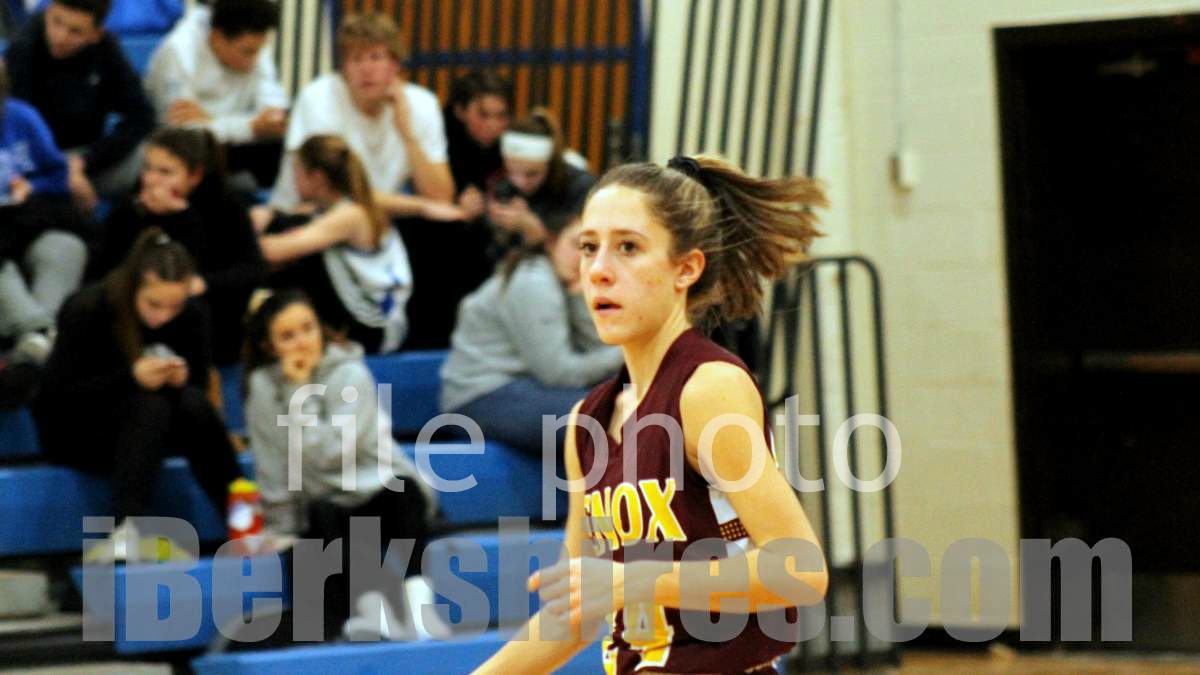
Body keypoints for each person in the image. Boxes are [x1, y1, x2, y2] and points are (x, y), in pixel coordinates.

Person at [474, 156, 831, 674]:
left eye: (628, 247)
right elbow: (573, 614)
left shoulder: (708, 389)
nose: (599, 269)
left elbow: (800, 568)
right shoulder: (586, 422)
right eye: (588, 247)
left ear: (686, 268)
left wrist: (634, 580)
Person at [32, 229, 242, 561]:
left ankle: (243, 519)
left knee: (192, 403)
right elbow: (58, 398)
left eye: (174, 306)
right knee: (149, 404)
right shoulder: (88, 308)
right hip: (78, 431)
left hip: (148, 431)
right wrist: (130, 378)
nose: (164, 315)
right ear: (134, 288)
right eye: (154, 304)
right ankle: (124, 528)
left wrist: (183, 380)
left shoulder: (194, 314)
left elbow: (200, 386)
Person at [242, 289, 439, 640]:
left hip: (375, 493)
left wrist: (298, 393)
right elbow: (271, 462)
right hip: (326, 507)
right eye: (288, 336)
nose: (302, 342)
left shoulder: (350, 373)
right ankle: (371, 611)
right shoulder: (262, 387)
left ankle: (419, 607)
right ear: (269, 348)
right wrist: (282, 528)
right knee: (321, 514)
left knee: (402, 491)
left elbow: (333, 453)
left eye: (308, 328)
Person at [440, 213, 621, 457]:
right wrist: (626, 353)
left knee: (630, 403)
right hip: (480, 396)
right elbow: (559, 373)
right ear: (551, 242)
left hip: (528, 388)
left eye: (592, 250)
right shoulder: (533, 282)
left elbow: (596, 351)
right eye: (576, 245)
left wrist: (580, 299)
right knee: (610, 416)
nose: (583, 258)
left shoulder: (565, 280)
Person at [93, 127, 264, 364]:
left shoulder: (224, 205)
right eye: (147, 168)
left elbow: (252, 268)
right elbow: (104, 269)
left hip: (206, 314)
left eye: (165, 172)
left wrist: (206, 282)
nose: (152, 180)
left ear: (195, 176)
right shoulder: (130, 209)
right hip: (136, 316)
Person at [268, 12, 456, 218]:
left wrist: (407, 134)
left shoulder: (422, 104)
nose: (366, 69)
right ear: (344, 69)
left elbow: (441, 197)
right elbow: (333, 193)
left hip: (378, 221)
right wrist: (420, 206)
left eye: (376, 57)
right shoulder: (318, 98)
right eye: (356, 59)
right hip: (303, 216)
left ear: (395, 64)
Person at [256, 134, 413, 353]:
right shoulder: (332, 208)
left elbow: (273, 251)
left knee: (298, 262)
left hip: (375, 326)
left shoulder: (351, 214)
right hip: (368, 318)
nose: (293, 179)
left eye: (297, 171)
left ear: (317, 177)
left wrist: (247, 232)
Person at [4, 0, 156, 209]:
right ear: (47, 12)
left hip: (89, 161)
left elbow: (142, 116)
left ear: (95, 34)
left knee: (149, 158)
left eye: (75, 31)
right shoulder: (22, 49)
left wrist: (85, 161)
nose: (60, 37)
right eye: (56, 22)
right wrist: (60, 171)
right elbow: (16, 129)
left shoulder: (107, 51)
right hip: (35, 164)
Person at [0, 58, 88, 366]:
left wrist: (32, 187)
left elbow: (58, 175)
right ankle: (39, 333)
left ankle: (37, 345)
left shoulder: (22, 118)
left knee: (66, 246)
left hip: (25, 220)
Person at [144, 0, 287, 188]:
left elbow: (274, 119)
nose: (254, 61)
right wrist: (249, 126)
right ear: (217, 38)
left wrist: (210, 120)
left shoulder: (254, 46)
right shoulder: (178, 52)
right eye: (247, 53)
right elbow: (183, 135)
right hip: (187, 156)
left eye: (259, 51)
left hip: (238, 148)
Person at [488, 109, 595, 252]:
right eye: (511, 172)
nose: (520, 182)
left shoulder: (581, 187)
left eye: (531, 174)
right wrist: (499, 229)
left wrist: (539, 233)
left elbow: (584, 248)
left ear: (550, 164)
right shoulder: (505, 187)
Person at [444, 69, 511, 219]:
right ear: (460, 111)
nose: (493, 125)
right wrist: (454, 202)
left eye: (501, 115)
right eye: (484, 115)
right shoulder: (437, 139)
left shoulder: (511, 142)